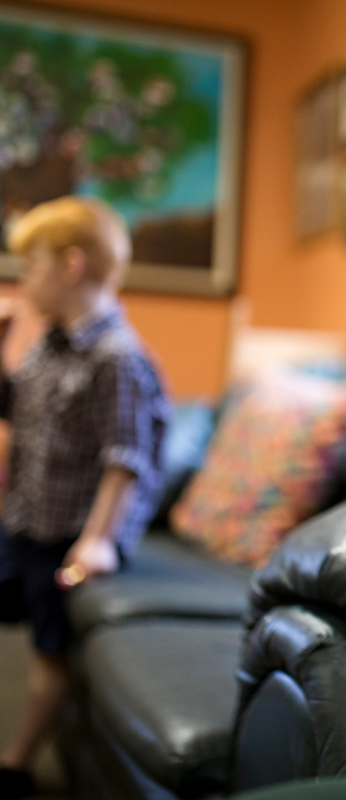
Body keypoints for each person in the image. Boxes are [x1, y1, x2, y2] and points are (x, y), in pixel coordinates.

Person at [0, 196, 169, 799]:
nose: (22, 281)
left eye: (30, 267)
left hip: (71, 535)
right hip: (25, 519)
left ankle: (16, 764)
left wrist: (97, 541)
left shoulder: (117, 358)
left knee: (50, 648)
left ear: (71, 266)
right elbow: (14, 411)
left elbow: (125, 459)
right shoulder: (49, 343)